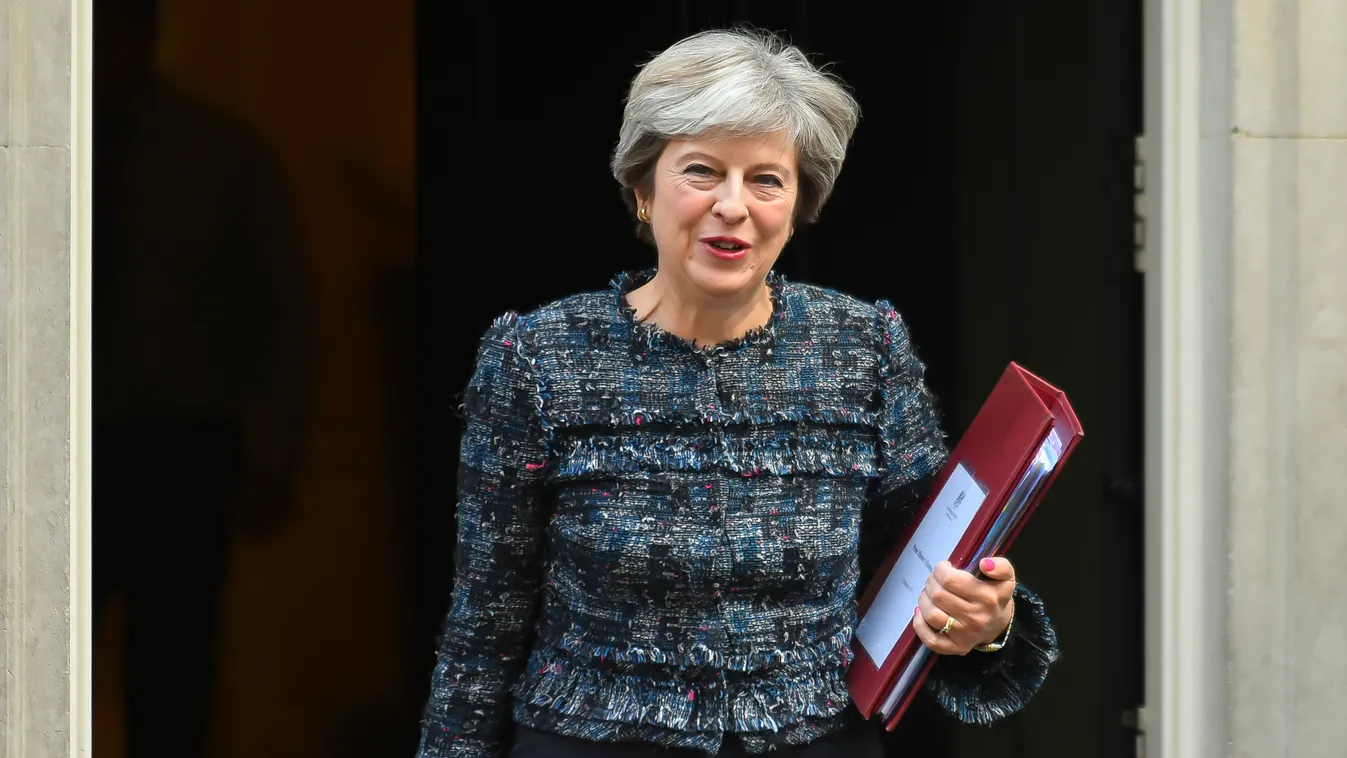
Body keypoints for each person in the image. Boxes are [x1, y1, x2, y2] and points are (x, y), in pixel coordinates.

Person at [417, 28, 1058, 758]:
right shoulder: (537, 359)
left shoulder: (862, 349)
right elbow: (486, 620)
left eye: (765, 178)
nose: (733, 205)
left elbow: (926, 565)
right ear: (641, 188)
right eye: (701, 171)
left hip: (816, 742)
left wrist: (986, 622)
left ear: (797, 202)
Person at [94, 0, 316, 755]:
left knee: (173, 676)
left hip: (177, 450)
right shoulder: (32, 146)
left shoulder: (216, 155)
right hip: (51, 443)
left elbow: (279, 312)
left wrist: (272, 450)